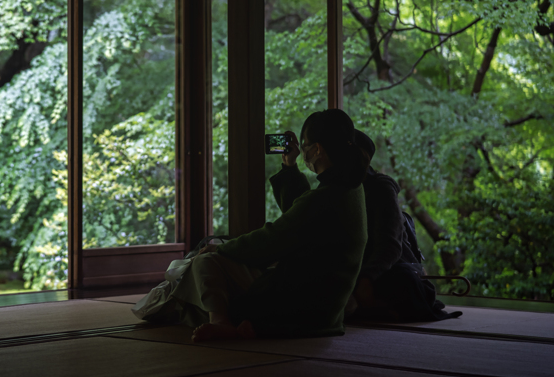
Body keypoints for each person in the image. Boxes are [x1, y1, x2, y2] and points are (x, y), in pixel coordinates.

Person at [140, 109, 370, 341]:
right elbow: (300, 216)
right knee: (205, 283)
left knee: (205, 262)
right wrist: (289, 167)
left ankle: (221, 322)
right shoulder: (351, 190)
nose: (303, 154)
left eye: (306, 146)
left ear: (318, 150)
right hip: (327, 309)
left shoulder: (323, 198)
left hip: (296, 304)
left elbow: (272, 239)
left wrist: (221, 248)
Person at [347, 130, 461, 322]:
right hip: (362, 273)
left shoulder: (381, 188)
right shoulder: (341, 188)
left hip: (386, 274)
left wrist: (366, 278)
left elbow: (389, 245)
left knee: (400, 280)